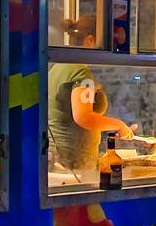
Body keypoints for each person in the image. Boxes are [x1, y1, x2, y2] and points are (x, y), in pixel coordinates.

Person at [47, 15, 134, 183]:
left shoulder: (58, 67)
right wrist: (119, 125)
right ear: (90, 40)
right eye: (105, 45)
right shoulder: (81, 73)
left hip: (58, 162)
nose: (108, 52)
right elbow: (83, 117)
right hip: (73, 168)